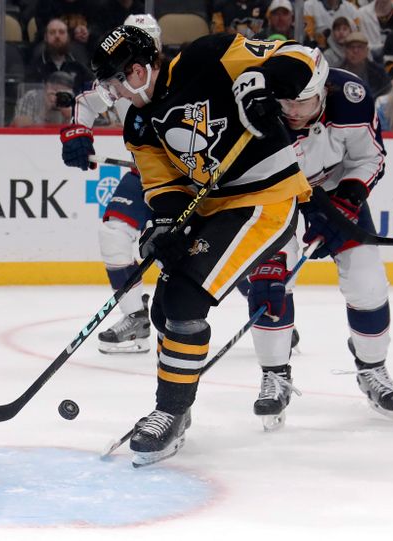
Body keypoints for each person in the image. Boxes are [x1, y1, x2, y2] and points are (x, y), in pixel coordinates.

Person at [90, 25, 315, 466]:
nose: (112, 92)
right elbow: (164, 186)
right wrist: (166, 226)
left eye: (114, 81)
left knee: (185, 299)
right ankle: (177, 404)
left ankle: (170, 412)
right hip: (214, 207)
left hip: (264, 201)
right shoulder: (138, 124)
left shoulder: (206, 57)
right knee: (165, 309)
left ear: (137, 71)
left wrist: (264, 87)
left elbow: (300, 55)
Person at [246, 49, 393, 430]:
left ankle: (373, 369)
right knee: (270, 282)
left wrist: (347, 202)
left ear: (324, 89)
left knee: (367, 282)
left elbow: (370, 159)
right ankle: (275, 374)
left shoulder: (350, 97)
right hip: (275, 200)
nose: (295, 111)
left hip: (335, 192)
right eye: (287, 101)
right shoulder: (255, 106)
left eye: (304, 102)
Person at [59, 13, 161, 354]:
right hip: (144, 174)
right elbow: (88, 102)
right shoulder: (123, 72)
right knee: (114, 234)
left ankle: (264, 306)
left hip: (188, 182)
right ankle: (136, 318)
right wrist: (78, 133)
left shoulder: (179, 78)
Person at [27, 17, 95, 93]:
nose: (57, 36)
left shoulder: (78, 65)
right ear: (45, 37)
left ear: (68, 37)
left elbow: (93, 89)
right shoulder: (37, 66)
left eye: (61, 32)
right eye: (52, 32)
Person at [340, 31, 391, 97]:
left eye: (360, 47)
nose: (355, 51)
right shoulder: (338, 73)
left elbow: (385, 96)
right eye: (351, 47)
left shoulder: (379, 73)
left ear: (366, 51)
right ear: (345, 51)